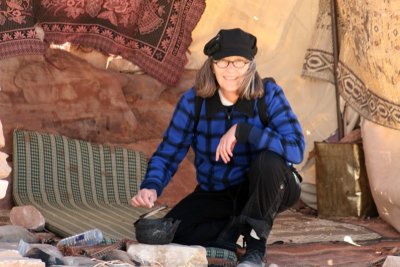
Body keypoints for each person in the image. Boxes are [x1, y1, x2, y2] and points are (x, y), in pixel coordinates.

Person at [131, 28, 304, 266]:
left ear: (250, 66)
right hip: (219, 192)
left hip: (271, 185)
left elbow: (296, 148)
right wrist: (151, 186)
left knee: (268, 162)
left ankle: (255, 245)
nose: (231, 69)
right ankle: (234, 231)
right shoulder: (193, 102)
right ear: (211, 65)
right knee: (171, 233)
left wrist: (245, 131)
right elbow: (169, 152)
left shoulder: (268, 94)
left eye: (239, 62)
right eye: (223, 62)